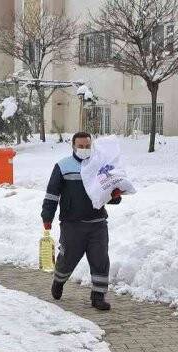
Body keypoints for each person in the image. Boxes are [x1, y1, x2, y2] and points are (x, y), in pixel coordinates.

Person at [41, 131, 121, 311]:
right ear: (73, 146)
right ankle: (59, 281)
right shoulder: (63, 166)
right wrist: (47, 217)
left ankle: (98, 296)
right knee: (67, 259)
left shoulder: (99, 166)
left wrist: (115, 196)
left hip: (97, 223)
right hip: (72, 224)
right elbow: (52, 194)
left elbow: (107, 192)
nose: (84, 149)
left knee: (100, 260)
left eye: (87, 146)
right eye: (81, 146)